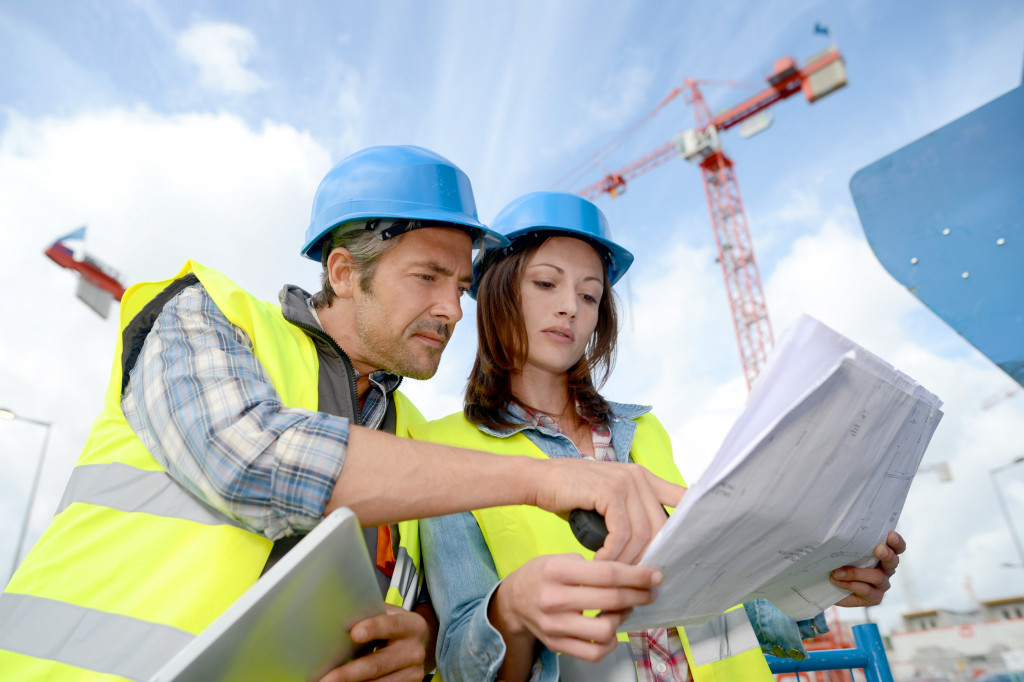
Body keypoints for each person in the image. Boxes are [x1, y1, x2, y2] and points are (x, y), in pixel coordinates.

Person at [0, 148, 684, 682]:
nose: (452, 310)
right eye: (427, 278)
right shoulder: (206, 313)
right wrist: (545, 480)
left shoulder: (416, 440)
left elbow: (413, 616)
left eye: (461, 286)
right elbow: (253, 460)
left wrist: (414, 649)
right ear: (342, 272)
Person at [414, 191, 906, 681]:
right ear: (498, 294)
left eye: (589, 295)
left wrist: (822, 584)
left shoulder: (645, 431)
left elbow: (722, 596)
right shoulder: (444, 453)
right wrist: (513, 609)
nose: (570, 307)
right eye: (546, 283)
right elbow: (460, 658)